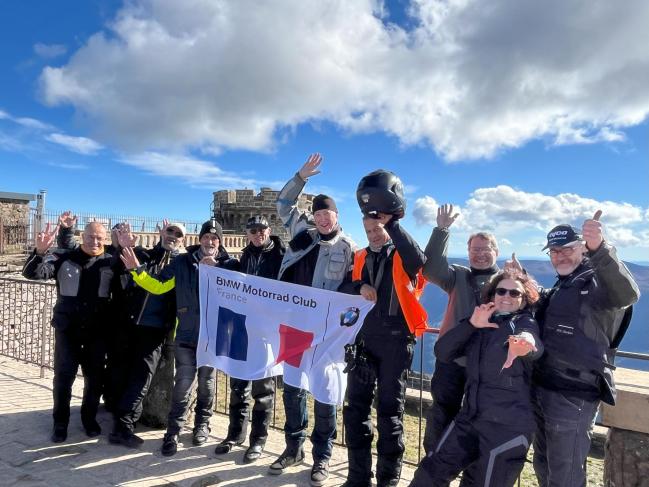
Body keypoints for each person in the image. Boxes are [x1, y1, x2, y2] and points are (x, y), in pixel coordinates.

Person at [531, 212, 639, 487]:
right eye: (554, 252)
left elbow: (627, 294)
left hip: (573, 396)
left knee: (564, 474)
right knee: (544, 465)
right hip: (545, 388)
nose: (560, 256)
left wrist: (601, 248)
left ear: (582, 248)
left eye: (567, 249)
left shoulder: (595, 281)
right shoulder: (565, 283)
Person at [270, 153, 356, 486]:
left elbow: (353, 285)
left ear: (337, 215)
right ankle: (293, 448)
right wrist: (300, 177)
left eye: (327, 213)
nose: (321, 219)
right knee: (292, 390)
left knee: (323, 393)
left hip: (324, 333)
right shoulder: (302, 229)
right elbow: (283, 205)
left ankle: (322, 457)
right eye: (318, 213)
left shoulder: (347, 246)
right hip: (293, 325)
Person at [410, 271, 543, 487]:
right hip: (469, 419)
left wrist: (524, 345)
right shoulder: (480, 321)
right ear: (492, 295)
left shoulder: (524, 321)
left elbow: (532, 339)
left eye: (515, 293)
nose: (506, 296)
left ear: (524, 299)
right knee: (429, 473)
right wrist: (471, 324)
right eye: (501, 290)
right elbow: (443, 351)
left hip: (508, 428)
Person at [120, 219, 238, 456]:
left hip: (214, 337)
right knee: (183, 386)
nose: (210, 241)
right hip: (186, 335)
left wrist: (217, 271)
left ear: (220, 241)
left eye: (215, 238)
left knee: (206, 385)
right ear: (199, 239)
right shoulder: (182, 262)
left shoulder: (230, 264)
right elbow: (159, 286)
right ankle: (172, 432)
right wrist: (137, 271)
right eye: (206, 236)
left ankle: (202, 426)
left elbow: (243, 293)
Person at [338, 209, 427, 487]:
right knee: (356, 412)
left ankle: (387, 480)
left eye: (378, 229)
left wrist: (395, 225)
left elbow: (418, 260)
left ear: (387, 227)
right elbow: (347, 284)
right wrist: (361, 285)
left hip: (397, 341)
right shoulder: (361, 256)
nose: (374, 235)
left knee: (390, 414)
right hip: (365, 341)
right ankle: (358, 478)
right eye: (369, 231)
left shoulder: (403, 254)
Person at [23, 220, 117, 442]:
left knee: (94, 380)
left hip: (97, 332)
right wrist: (39, 252)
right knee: (63, 379)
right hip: (68, 331)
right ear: (82, 236)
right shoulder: (63, 257)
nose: (95, 241)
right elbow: (33, 274)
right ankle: (60, 422)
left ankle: (88, 419)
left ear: (105, 239)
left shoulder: (112, 261)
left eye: (99, 238)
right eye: (91, 236)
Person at [421, 204, 501, 461]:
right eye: (474, 249)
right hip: (452, 364)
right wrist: (441, 230)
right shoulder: (457, 276)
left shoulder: (508, 283)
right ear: (467, 252)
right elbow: (431, 268)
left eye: (485, 249)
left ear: (495, 252)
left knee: (480, 422)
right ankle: (433, 468)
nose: (479, 254)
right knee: (441, 416)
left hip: (488, 368)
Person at [214, 215, 285, 463]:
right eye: (253, 230)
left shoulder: (281, 255)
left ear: (269, 230)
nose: (258, 234)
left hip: (266, 330)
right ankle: (235, 435)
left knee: (263, 390)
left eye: (262, 229)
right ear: (247, 234)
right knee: (238, 387)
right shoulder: (243, 257)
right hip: (242, 329)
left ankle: (258, 441)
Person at [107, 221, 185, 448]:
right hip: (128, 324)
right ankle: (117, 416)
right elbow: (117, 272)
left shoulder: (180, 264)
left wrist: (136, 269)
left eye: (178, 233)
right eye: (169, 230)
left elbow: (159, 286)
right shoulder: (146, 255)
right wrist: (121, 248)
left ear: (183, 239)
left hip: (155, 328)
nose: (172, 235)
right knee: (120, 371)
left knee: (141, 378)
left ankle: (123, 426)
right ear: (161, 232)